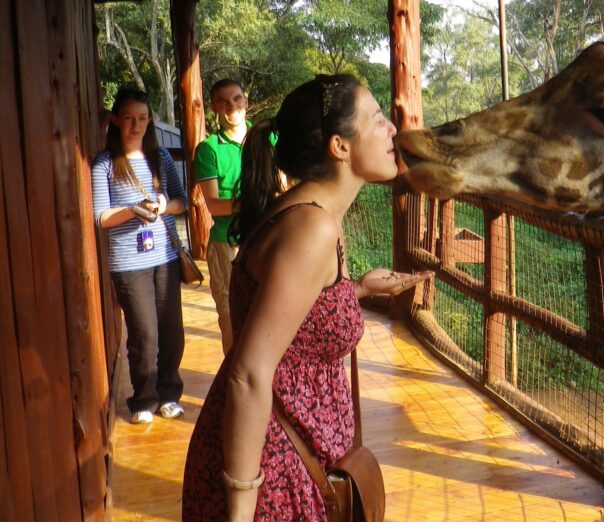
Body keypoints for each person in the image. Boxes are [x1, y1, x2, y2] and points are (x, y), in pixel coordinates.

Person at [182, 74, 433, 521]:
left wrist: (357, 290)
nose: (392, 129)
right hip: (275, 472)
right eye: (378, 118)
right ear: (340, 146)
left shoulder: (311, 213)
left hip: (292, 456)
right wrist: (241, 508)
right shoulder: (312, 228)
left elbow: (290, 315)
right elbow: (248, 373)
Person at [91, 88, 189, 424]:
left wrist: (162, 206)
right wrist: (132, 210)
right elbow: (101, 217)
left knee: (171, 331)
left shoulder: (160, 158)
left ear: (150, 121)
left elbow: (182, 202)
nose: (136, 125)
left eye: (142, 118)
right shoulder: (105, 163)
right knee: (144, 334)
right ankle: (144, 399)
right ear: (116, 120)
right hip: (128, 263)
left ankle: (169, 394)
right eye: (129, 118)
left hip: (165, 257)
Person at [194, 79, 251, 355]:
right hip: (227, 242)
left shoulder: (267, 139)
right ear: (214, 107)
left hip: (265, 237)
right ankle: (232, 379)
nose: (232, 106)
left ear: (246, 102)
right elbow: (215, 206)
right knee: (231, 316)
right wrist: (254, 201)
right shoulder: (209, 149)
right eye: (223, 101)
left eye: (237, 99)